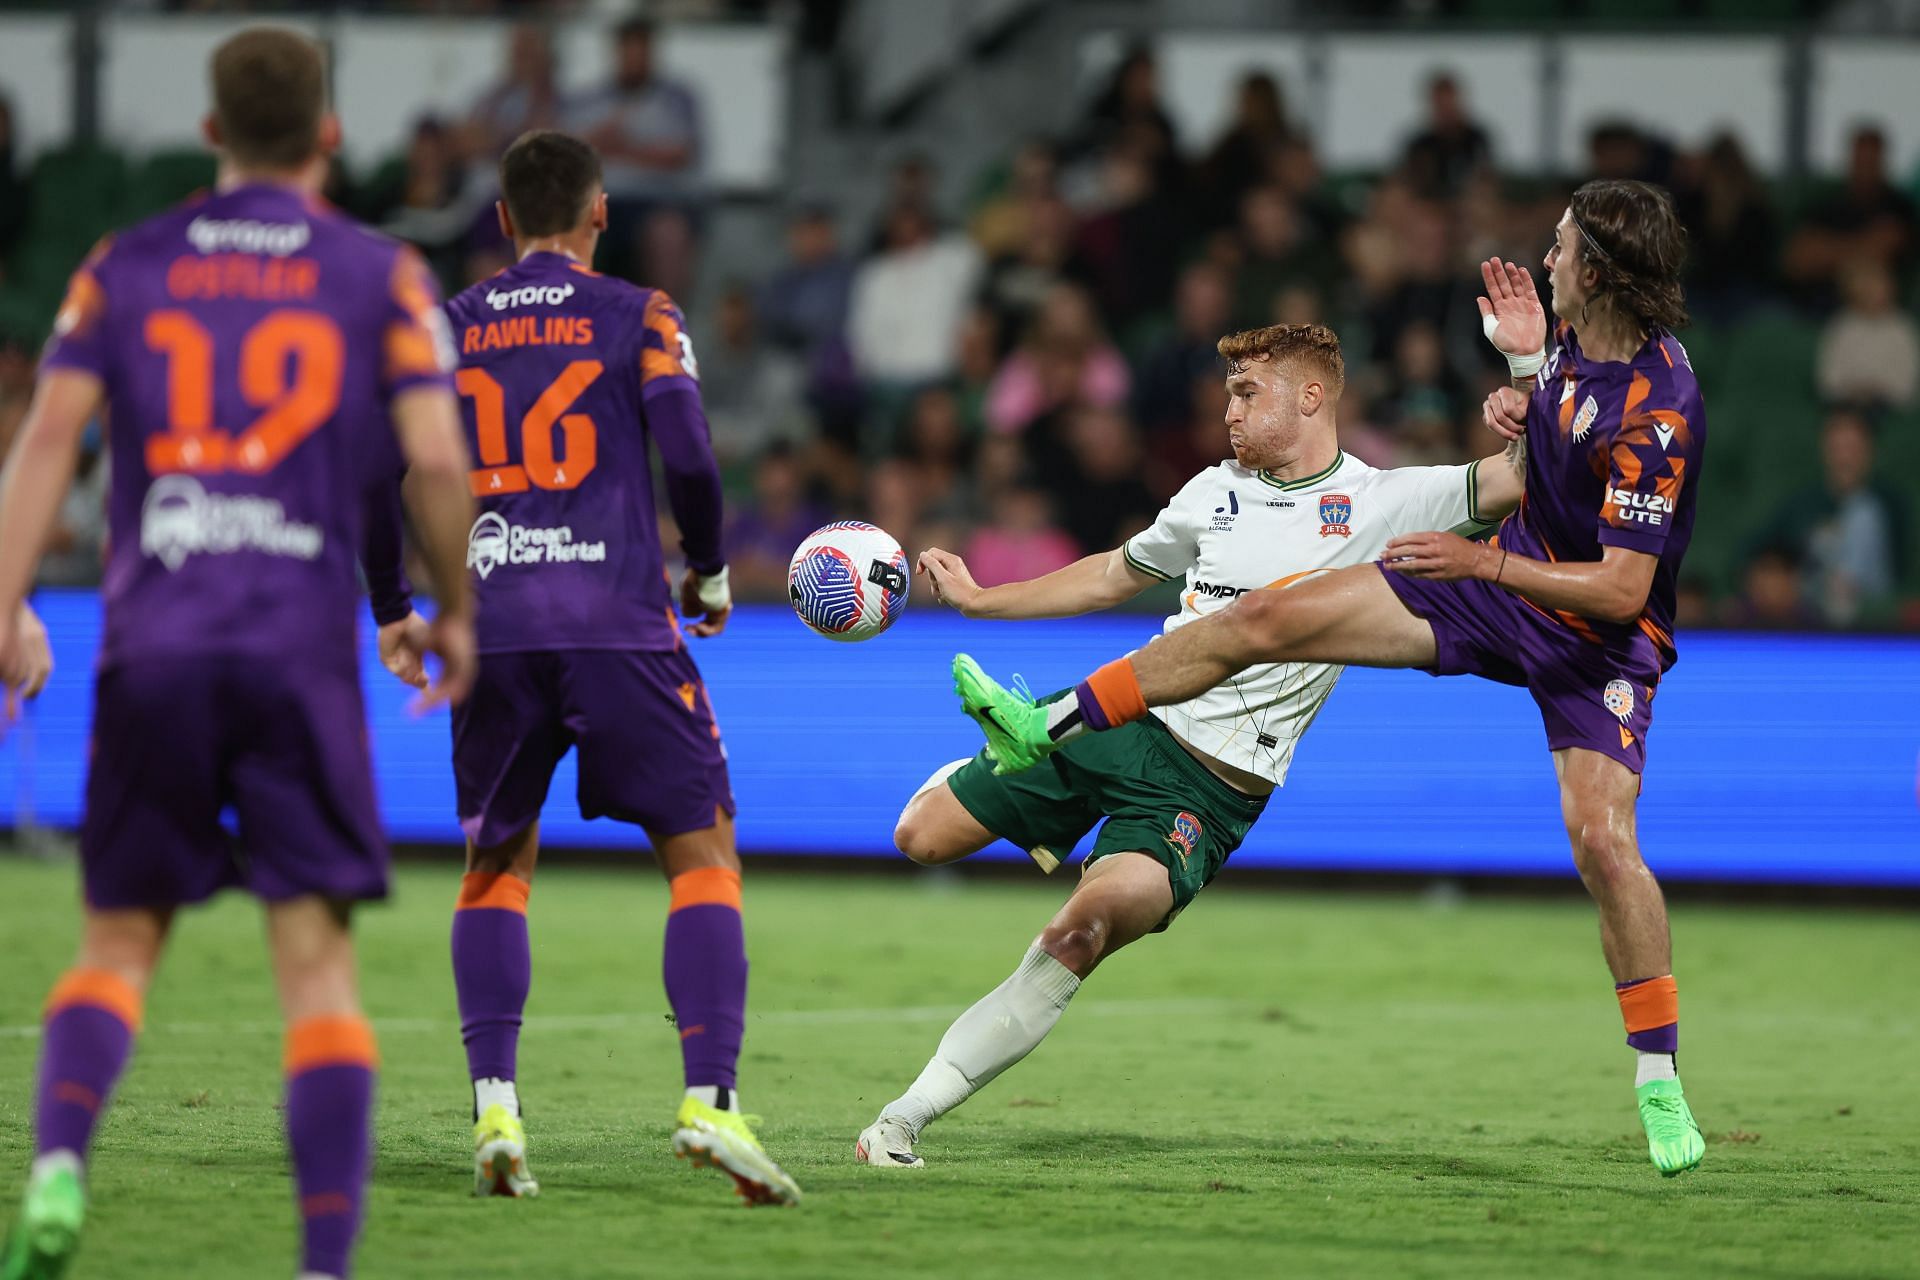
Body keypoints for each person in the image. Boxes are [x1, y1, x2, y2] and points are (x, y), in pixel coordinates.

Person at [956, 180, 1712, 1178]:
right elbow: (1552, 432)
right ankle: (1050, 718)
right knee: (1266, 615)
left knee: (1603, 841)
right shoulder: (1576, 338)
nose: (1547, 258)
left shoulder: (1662, 408)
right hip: (1495, 583)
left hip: (1590, 636)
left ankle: (1657, 1080)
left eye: (1563, 247)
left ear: (1604, 272)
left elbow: (1621, 587)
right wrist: (1524, 372)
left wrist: (1484, 558)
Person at [0, 28, 478, 1279]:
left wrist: (4, 608)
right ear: (330, 137)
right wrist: (458, 613)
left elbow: (46, 444)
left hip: (152, 639)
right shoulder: (382, 273)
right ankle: (322, 1263)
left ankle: (56, 1163)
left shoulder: (124, 265)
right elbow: (435, 459)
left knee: (116, 943)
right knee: (314, 960)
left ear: (210, 133)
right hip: (296, 650)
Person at [853, 322, 1525, 1168]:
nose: (1229, 412)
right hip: (1118, 719)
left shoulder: (1386, 501)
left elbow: (1523, 477)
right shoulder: (1212, 491)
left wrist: (1527, 366)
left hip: (1205, 794)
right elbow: (1112, 575)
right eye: (1228, 395)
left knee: (1082, 930)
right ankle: (986, 769)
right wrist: (986, 600)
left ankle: (902, 1123)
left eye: (1248, 394)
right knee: (920, 839)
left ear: (1311, 397)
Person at [370, 129, 799, 1206]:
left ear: (503, 220)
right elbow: (690, 451)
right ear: (600, 211)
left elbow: (384, 470)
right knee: (702, 854)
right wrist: (705, 566)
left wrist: (392, 605)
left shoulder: (442, 327)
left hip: (494, 625)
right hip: (617, 618)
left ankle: (498, 1106)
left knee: (494, 866)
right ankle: (708, 1096)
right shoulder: (642, 313)